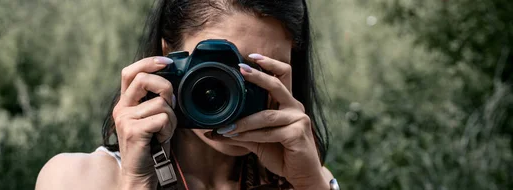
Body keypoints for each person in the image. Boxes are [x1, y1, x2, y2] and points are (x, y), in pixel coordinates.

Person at [36, 0, 336, 189]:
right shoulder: (78, 178)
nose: (237, 92)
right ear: (169, 56)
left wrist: (308, 183)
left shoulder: (308, 179)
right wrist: (137, 181)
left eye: (261, 72)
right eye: (219, 67)